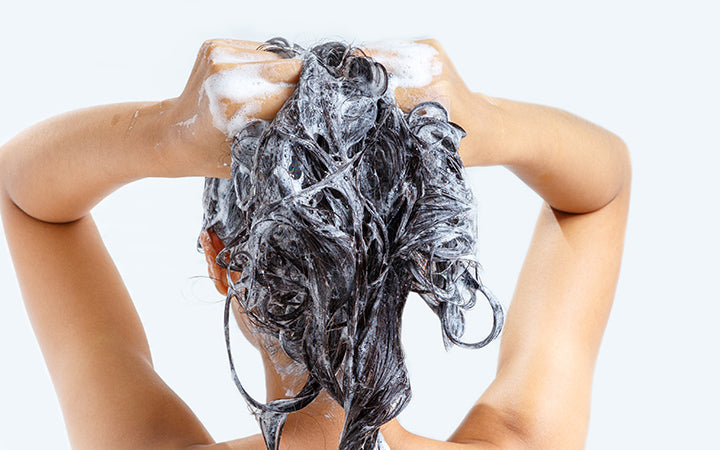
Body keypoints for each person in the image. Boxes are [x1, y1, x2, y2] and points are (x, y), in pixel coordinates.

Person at [0, 37, 631, 450]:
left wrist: (170, 131)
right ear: (414, 255)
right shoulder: (520, 441)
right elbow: (599, 191)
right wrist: (473, 121)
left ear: (223, 261)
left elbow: (25, 196)